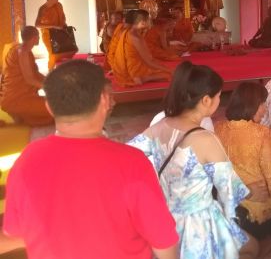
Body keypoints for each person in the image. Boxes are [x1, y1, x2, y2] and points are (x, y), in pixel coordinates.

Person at [3, 60, 179, 259]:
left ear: (49, 107)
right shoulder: (131, 162)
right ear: (104, 100)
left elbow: (15, 230)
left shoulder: (26, 160)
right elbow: (164, 243)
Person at [129, 62, 257, 259]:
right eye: (218, 96)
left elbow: (128, 155)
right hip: (199, 224)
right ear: (206, 100)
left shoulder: (158, 126)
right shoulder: (205, 139)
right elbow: (229, 192)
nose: (219, 100)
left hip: (165, 220)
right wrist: (252, 191)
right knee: (251, 248)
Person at [215, 82, 271, 256]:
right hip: (255, 211)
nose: (265, 110)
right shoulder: (261, 133)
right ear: (252, 105)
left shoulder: (218, 128)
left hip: (227, 204)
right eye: (263, 104)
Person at [0, 26, 53, 126]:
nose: (39, 39)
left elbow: (35, 73)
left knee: (55, 104)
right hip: (16, 99)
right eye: (38, 36)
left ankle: (22, 116)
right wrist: (50, 88)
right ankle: (20, 113)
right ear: (34, 37)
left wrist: (51, 81)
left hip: (20, 96)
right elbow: (30, 80)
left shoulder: (23, 50)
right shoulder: (22, 52)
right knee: (55, 109)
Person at [111, 9, 172, 86]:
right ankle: (143, 78)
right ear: (143, 22)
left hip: (136, 65)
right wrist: (170, 70)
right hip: (135, 70)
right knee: (169, 75)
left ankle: (144, 77)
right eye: (148, 20)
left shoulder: (132, 32)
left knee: (165, 72)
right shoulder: (134, 37)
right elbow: (149, 62)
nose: (150, 22)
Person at [34, 0, 68, 70]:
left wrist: (64, 24)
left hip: (60, 33)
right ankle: (51, 72)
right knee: (52, 53)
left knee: (61, 53)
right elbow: (37, 24)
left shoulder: (59, 5)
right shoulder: (43, 9)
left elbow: (63, 16)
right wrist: (54, 26)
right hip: (48, 35)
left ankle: (60, 72)